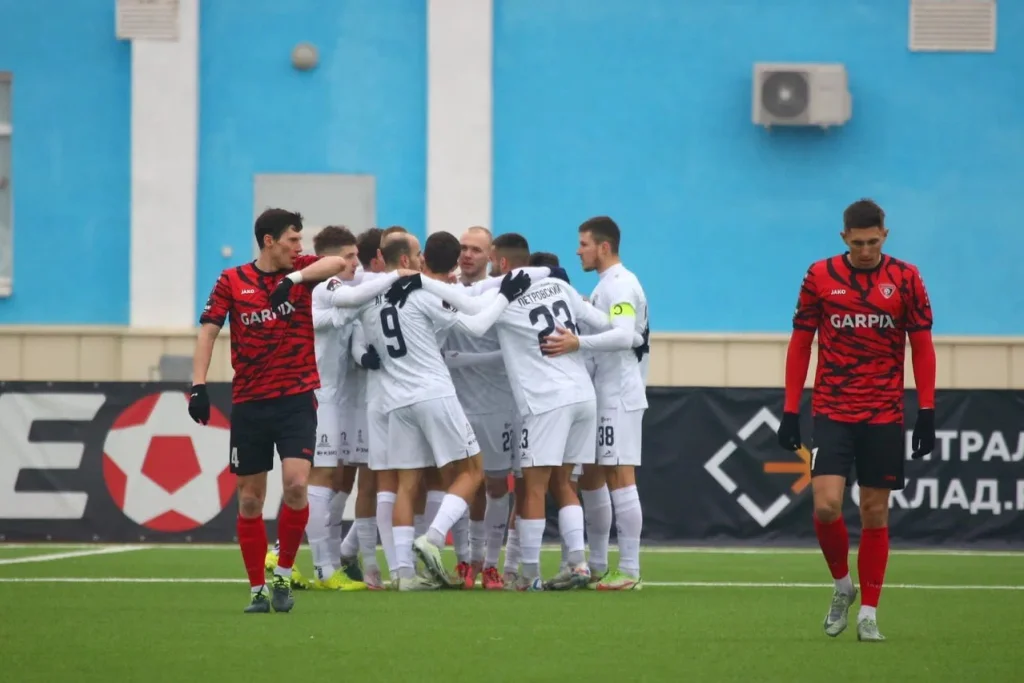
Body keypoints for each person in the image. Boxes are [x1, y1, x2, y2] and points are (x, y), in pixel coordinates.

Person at [394, 233, 642, 591]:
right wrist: (631, 335)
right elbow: (606, 324)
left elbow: (468, 304)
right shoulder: (562, 287)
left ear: (502, 263)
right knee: (564, 483)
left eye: (492, 258)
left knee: (534, 488)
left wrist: (419, 282)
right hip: (583, 396)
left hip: (545, 401)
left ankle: (528, 573)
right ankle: (579, 563)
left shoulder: (505, 297)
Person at [777, 198, 936, 642]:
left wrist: (926, 410)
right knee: (826, 505)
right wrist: (790, 408)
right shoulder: (820, 275)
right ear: (844, 238)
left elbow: (922, 346)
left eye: (873, 242)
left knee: (874, 510)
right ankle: (843, 585)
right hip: (832, 409)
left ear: (885, 236)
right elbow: (800, 343)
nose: (866, 250)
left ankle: (868, 613)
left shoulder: (906, 278)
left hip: (884, 412)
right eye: (857, 243)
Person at [188, 209, 355, 613]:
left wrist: (293, 280)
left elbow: (339, 264)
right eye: (292, 240)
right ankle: (258, 590)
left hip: (296, 399)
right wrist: (198, 385)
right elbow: (208, 331)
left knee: (296, 485)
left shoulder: (301, 270)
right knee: (250, 499)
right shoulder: (232, 280)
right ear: (269, 241)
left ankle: (282, 574)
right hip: (250, 403)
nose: (299, 247)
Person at [542, 216, 650, 591]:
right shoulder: (607, 285)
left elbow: (623, 335)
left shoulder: (620, 284)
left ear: (604, 247)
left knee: (620, 476)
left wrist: (578, 342)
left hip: (619, 393)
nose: (578, 251)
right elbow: (626, 333)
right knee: (594, 475)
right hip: (605, 392)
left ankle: (630, 569)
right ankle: (601, 563)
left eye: (584, 244)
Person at [443, 226, 517, 589]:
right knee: (461, 484)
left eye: (475, 249)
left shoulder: (500, 294)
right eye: (463, 248)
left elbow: (514, 351)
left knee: (497, 486)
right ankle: (464, 561)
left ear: (491, 256)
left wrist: (462, 360)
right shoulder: (444, 291)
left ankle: (490, 564)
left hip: (497, 406)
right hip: (455, 405)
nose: (467, 254)